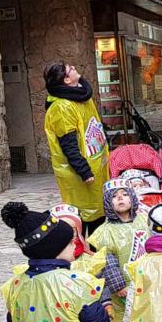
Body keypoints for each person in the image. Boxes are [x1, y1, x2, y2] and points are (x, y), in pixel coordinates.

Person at [43, 62, 111, 234]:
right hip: (80, 174)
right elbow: (68, 144)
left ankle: (97, 256)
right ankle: (86, 256)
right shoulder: (62, 107)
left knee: (99, 215)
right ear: (66, 80)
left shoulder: (81, 96)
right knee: (85, 218)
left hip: (97, 166)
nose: (73, 67)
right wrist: (84, 170)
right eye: (70, 69)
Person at [87, 179, 150, 322]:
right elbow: (107, 261)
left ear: (132, 198)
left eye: (124, 195)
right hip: (123, 285)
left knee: (146, 312)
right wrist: (118, 285)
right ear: (108, 202)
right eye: (114, 197)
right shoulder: (105, 232)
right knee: (123, 317)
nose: (120, 199)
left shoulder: (144, 221)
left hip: (147, 278)